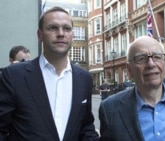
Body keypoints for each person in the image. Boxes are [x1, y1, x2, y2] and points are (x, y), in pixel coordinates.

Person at [0, 6, 99, 141]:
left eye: (67, 28)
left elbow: (85, 127)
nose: (61, 33)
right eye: (53, 28)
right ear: (39, 35)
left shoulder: (84, 79)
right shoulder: (14, 76)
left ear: (72, 35)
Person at [99, 36, 165, 141]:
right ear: (129, 70)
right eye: (141, 58)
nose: (151, 64)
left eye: (157, 57)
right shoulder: (110, 109)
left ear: (164, 63)